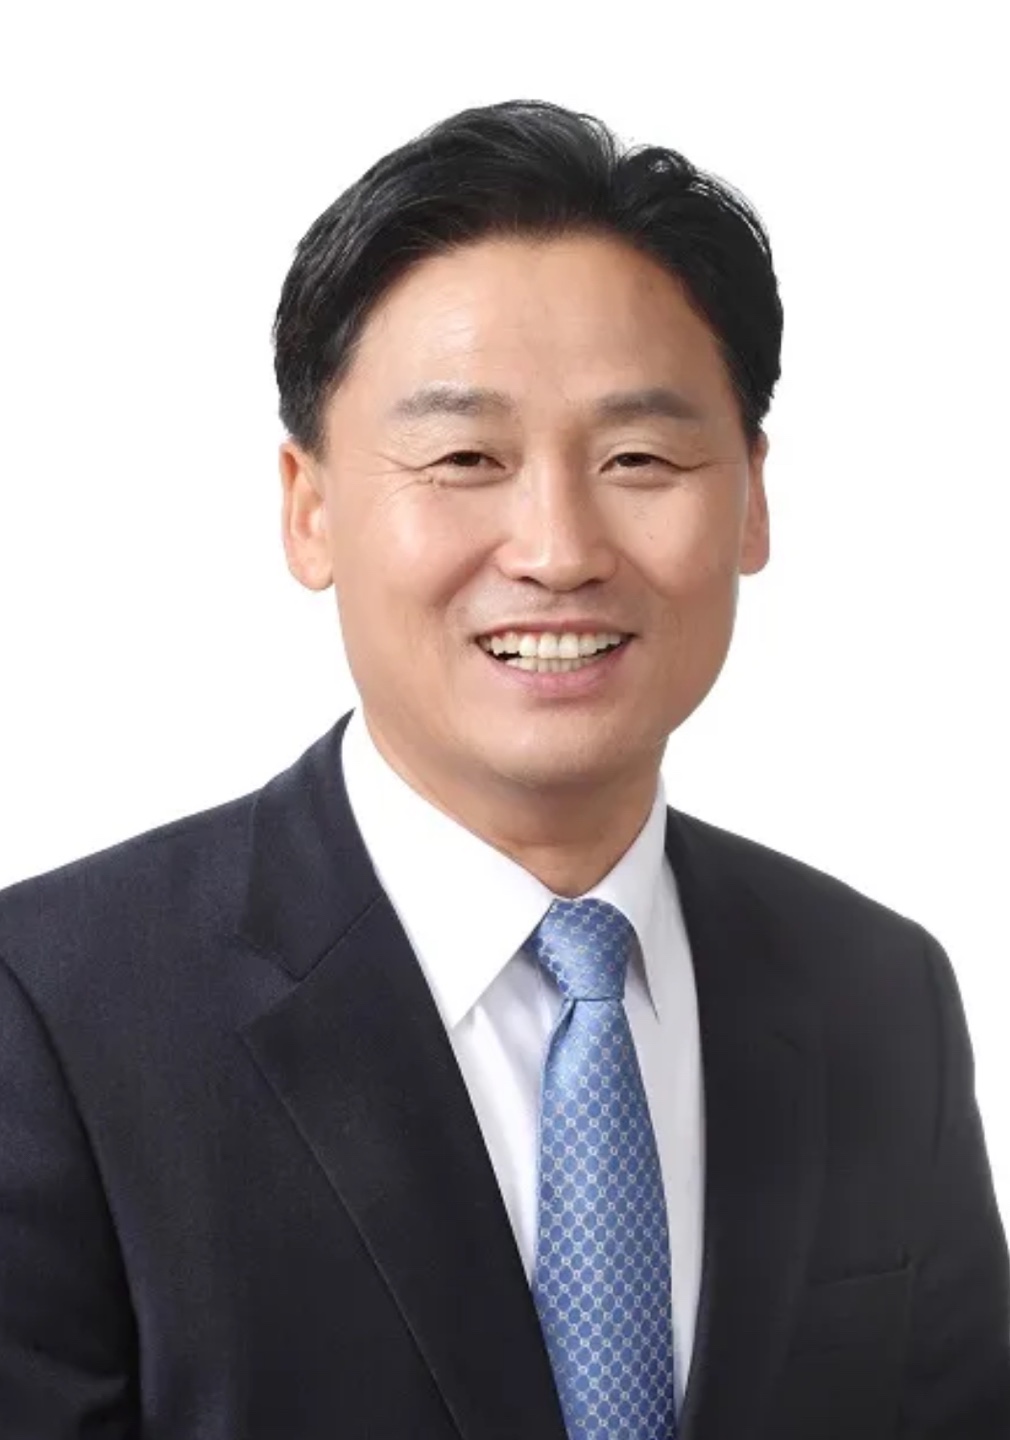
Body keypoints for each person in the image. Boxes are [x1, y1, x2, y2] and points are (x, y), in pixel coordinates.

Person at [0, 97, 1007, 1440]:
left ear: (751, 497)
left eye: (639, 457)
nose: (558, 548)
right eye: (465, 457)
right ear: (310, 508)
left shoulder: (878, 993)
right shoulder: (48, 1014)